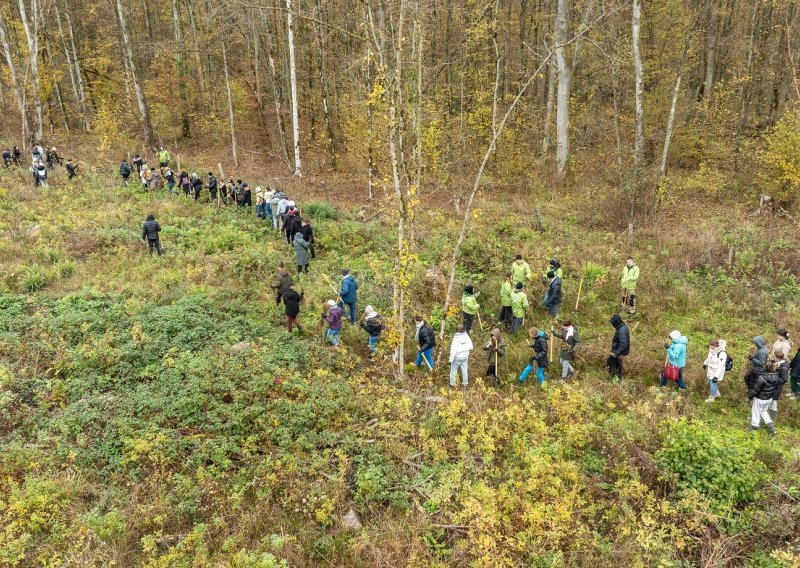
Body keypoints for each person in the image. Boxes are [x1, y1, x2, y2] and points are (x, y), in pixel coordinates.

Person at [748, 359, 782, 434]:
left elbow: (755, 390)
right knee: (764, 411)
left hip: (760, 398)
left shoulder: (762, 377)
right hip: (769, 398)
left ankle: (754, 427)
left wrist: (750, 396)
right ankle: (771, 428)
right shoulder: (776, 376)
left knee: (756, 412)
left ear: (765, 367)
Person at [449, 324, 473, 388]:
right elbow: (471, 347)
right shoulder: (467, 336)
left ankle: (452, 384)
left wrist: (451, 359)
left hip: (457, 357)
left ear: (457, 330)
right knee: (464, 370)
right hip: (465, 357)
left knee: (453, 370)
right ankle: (465, 384)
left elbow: (453, 349)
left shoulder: (456, 338)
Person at [608, 314, 630, 381]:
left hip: (619, 352)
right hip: (618, 351)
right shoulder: (621, 328)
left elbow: (623, 344)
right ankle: (615, 378)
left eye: (613, 324)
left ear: (616, 322)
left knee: (613, 363)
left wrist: (616, 353)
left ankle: (615, 379)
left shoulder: (622, 330)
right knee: (615, 364)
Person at [770, 351, 789, 423]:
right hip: (772, 386)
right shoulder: (777, 363)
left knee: (773, 403)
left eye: (774, 356)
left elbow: (784, 379)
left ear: (778, 358)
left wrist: (773, 379)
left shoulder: (783, 367)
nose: (773, 357)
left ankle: (772, 420)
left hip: (776, 387)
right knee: (769, 403)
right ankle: (766, 418)